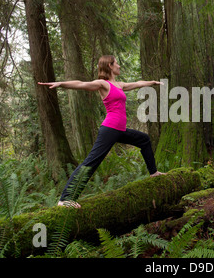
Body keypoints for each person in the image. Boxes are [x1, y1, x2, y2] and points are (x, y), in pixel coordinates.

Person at [38, 55, 165, 208]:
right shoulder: (103, 84)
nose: (118, 66)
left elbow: (138, 83)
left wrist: (153, 82)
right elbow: (81, 84)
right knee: (91, 162)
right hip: (110, 129)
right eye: (116, 63)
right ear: (109, 66)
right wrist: (61, 84)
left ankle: (153, 173)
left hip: (120, 130)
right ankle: (65, 199)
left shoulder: (119, 85)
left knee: (144, 139)